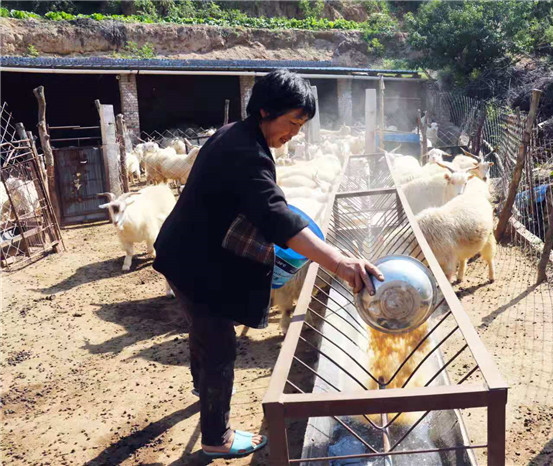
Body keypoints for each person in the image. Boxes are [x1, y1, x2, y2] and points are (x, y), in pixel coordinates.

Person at [153, 69, 383, 459]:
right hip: (195, 262)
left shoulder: (234, 134)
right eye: (292, 121)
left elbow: (263, 206)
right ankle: (216, 438)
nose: (295, 132)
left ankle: (201, 387)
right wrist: (341, 263)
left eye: (301, 124)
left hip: (184, 251)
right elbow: (276, 216)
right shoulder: (247, 153)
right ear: (265, 111)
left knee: (203, 332)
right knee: (220, 348)